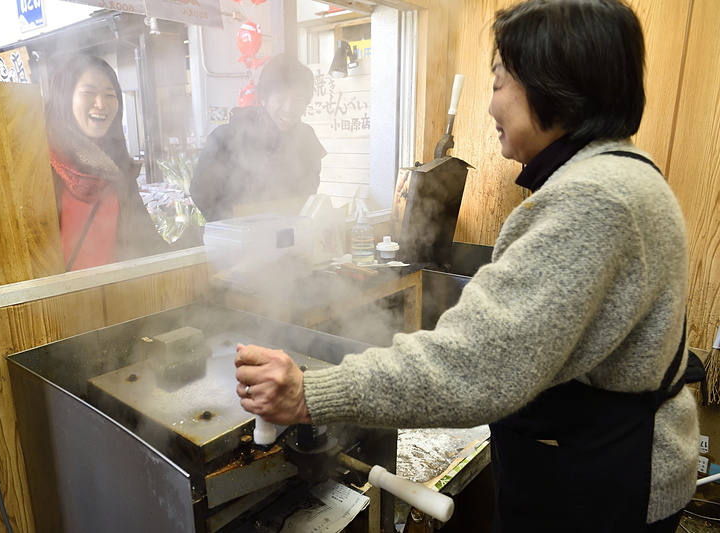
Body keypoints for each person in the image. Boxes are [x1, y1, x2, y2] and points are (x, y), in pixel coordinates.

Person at [233, 1, 698, 531]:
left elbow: (475, 364)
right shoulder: (618, 173)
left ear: (553, 85)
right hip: (595, 468)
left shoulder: (593, 199)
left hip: (602, 487)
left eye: (499, 82)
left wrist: (311, 392)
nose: (491, 105)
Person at [45, 54, 169, 271]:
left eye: (110, 95)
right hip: (57, 301)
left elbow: (147, 241)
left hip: (114, 297)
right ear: (64, 98)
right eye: (88, 93)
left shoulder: (117, 169)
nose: (101, 104)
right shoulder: (41, 166)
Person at [190, 54, 327, 222]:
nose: (288, 109)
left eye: (298, 99)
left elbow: (309, 189)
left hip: (289, 237)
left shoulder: (307, 139)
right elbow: (201, 192)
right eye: (280, 98)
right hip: (236, 238)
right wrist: (229, 225)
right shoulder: (227, 136)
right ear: (264, 98)